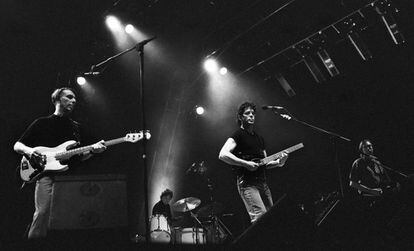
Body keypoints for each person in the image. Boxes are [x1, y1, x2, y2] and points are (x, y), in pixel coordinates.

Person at [13, 87, 106, 239]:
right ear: (57, 100)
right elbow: (17, 146)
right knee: (42, 214)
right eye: (69, 97)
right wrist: (30, 152)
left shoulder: (76, 128)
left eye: (75, 98)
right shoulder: (42, 123)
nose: (74, 100)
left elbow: (79, 157)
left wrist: (92, 151)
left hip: (69, 179)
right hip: (46, 177)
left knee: (68, 218)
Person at [218, 101, 288, 223]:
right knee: (260, 218)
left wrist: (279, 162)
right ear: (240, 117)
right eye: (247, 113)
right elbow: (222, 154)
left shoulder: (259, 138)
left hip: (263, 183)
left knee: (272, 218)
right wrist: (245, 163)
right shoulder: (238, 135)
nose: (251, 115)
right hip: (248, 184)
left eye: (253, 113)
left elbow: (264, 164)